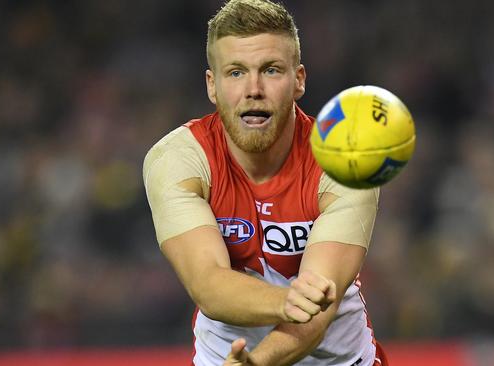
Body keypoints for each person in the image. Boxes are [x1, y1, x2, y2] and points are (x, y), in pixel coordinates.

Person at [143, 0, 387, 364]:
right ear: (213, 85)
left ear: (299, 79)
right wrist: (288, 301)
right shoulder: (178, 160)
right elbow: (208, 284)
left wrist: (258, 362)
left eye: (271, 70)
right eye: (236, 73)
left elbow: (320, 308)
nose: (253, 89)